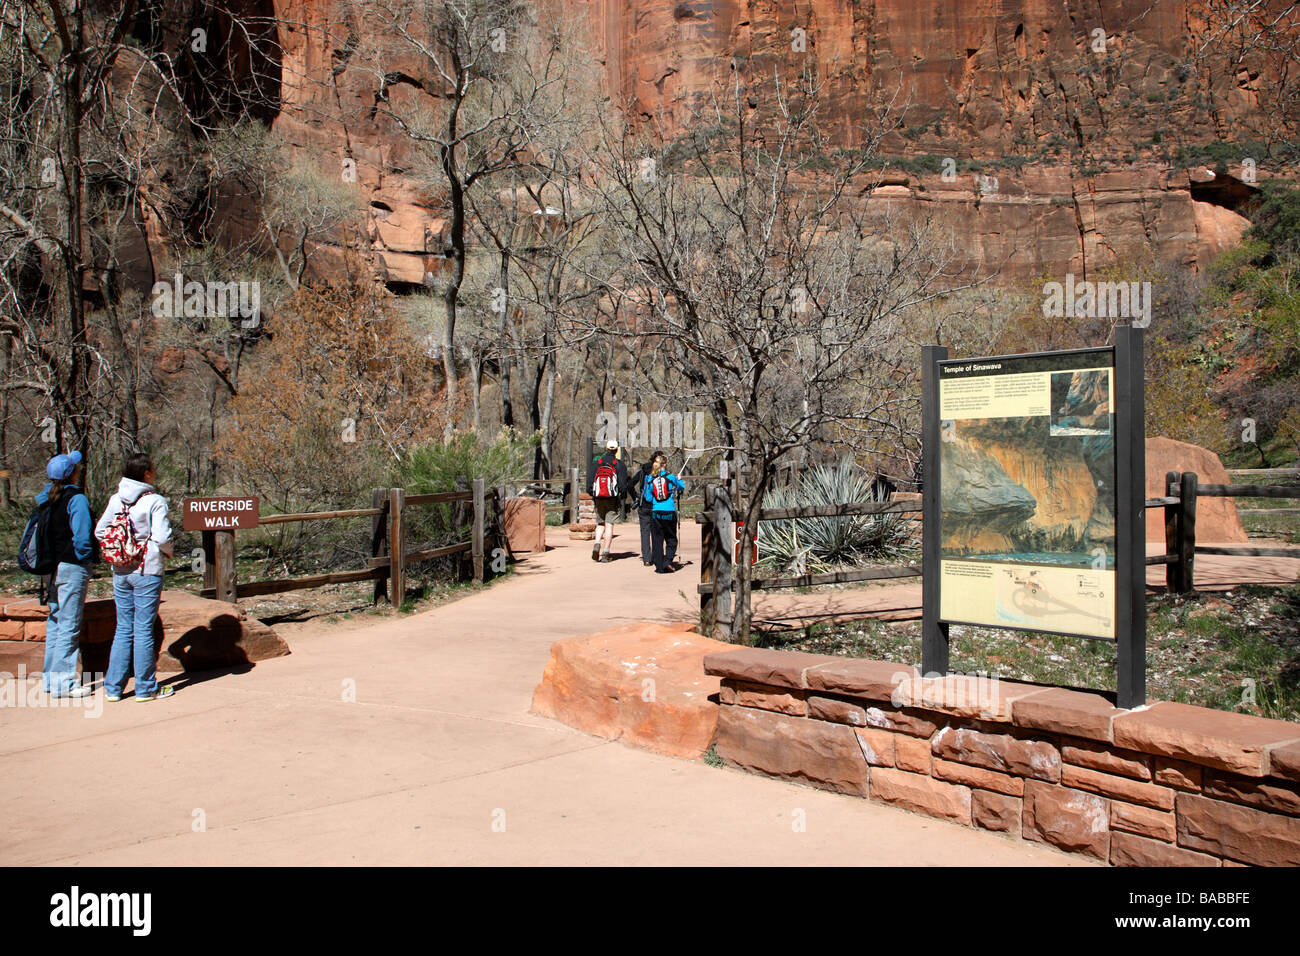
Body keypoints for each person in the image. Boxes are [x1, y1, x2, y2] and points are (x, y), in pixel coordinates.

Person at [95, 453, 175, 702]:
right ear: (147, 474)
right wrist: (165, 551)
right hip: (146, 570)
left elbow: (100, 530)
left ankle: (113, 688)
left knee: (123, 629)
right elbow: (162, 537)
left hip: (120, 570)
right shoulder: (155, 501)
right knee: (143, 629)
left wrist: (119, 550)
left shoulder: (116, 499)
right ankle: (145, 688)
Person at [38, 451, 96, 697]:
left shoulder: (46, 499)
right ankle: (64, 684)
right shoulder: (77, 499)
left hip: (50, 568)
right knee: (69, 624)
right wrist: (86, 559)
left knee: (55, 621)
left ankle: (50, 681)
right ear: (73, 472)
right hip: (72, 566)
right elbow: (82, 537)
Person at [587, 439, 628, 562]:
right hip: (612, 498)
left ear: (606, 449)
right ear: (616, 450)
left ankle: (597, 542)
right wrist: (622, 497)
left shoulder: (597, 462)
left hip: (598, 497)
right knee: (609, 524)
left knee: (600, 523)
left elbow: (589, 481)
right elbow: (622, 485)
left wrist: (592, 493)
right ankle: (606, 552)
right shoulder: (619, 464)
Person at [644, 453, 685, 573]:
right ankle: (667, 561)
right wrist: (679, 479)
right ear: (664, 464)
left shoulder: (650, 479)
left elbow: (648, 498)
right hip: (669, 511)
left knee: (657, 540)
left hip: (656, 512)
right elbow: (681, 488)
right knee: (671, 538)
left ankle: (659, 566)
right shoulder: (671, 477)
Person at [629, 450, 664, 567]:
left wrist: (636, 497)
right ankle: (657, 555)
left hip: (643, 505)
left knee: (645, 532)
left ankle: (647, 559)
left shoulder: (642, 471)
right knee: (657, 532)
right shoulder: (660, 472)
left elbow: (629, 485)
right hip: (657, 505)